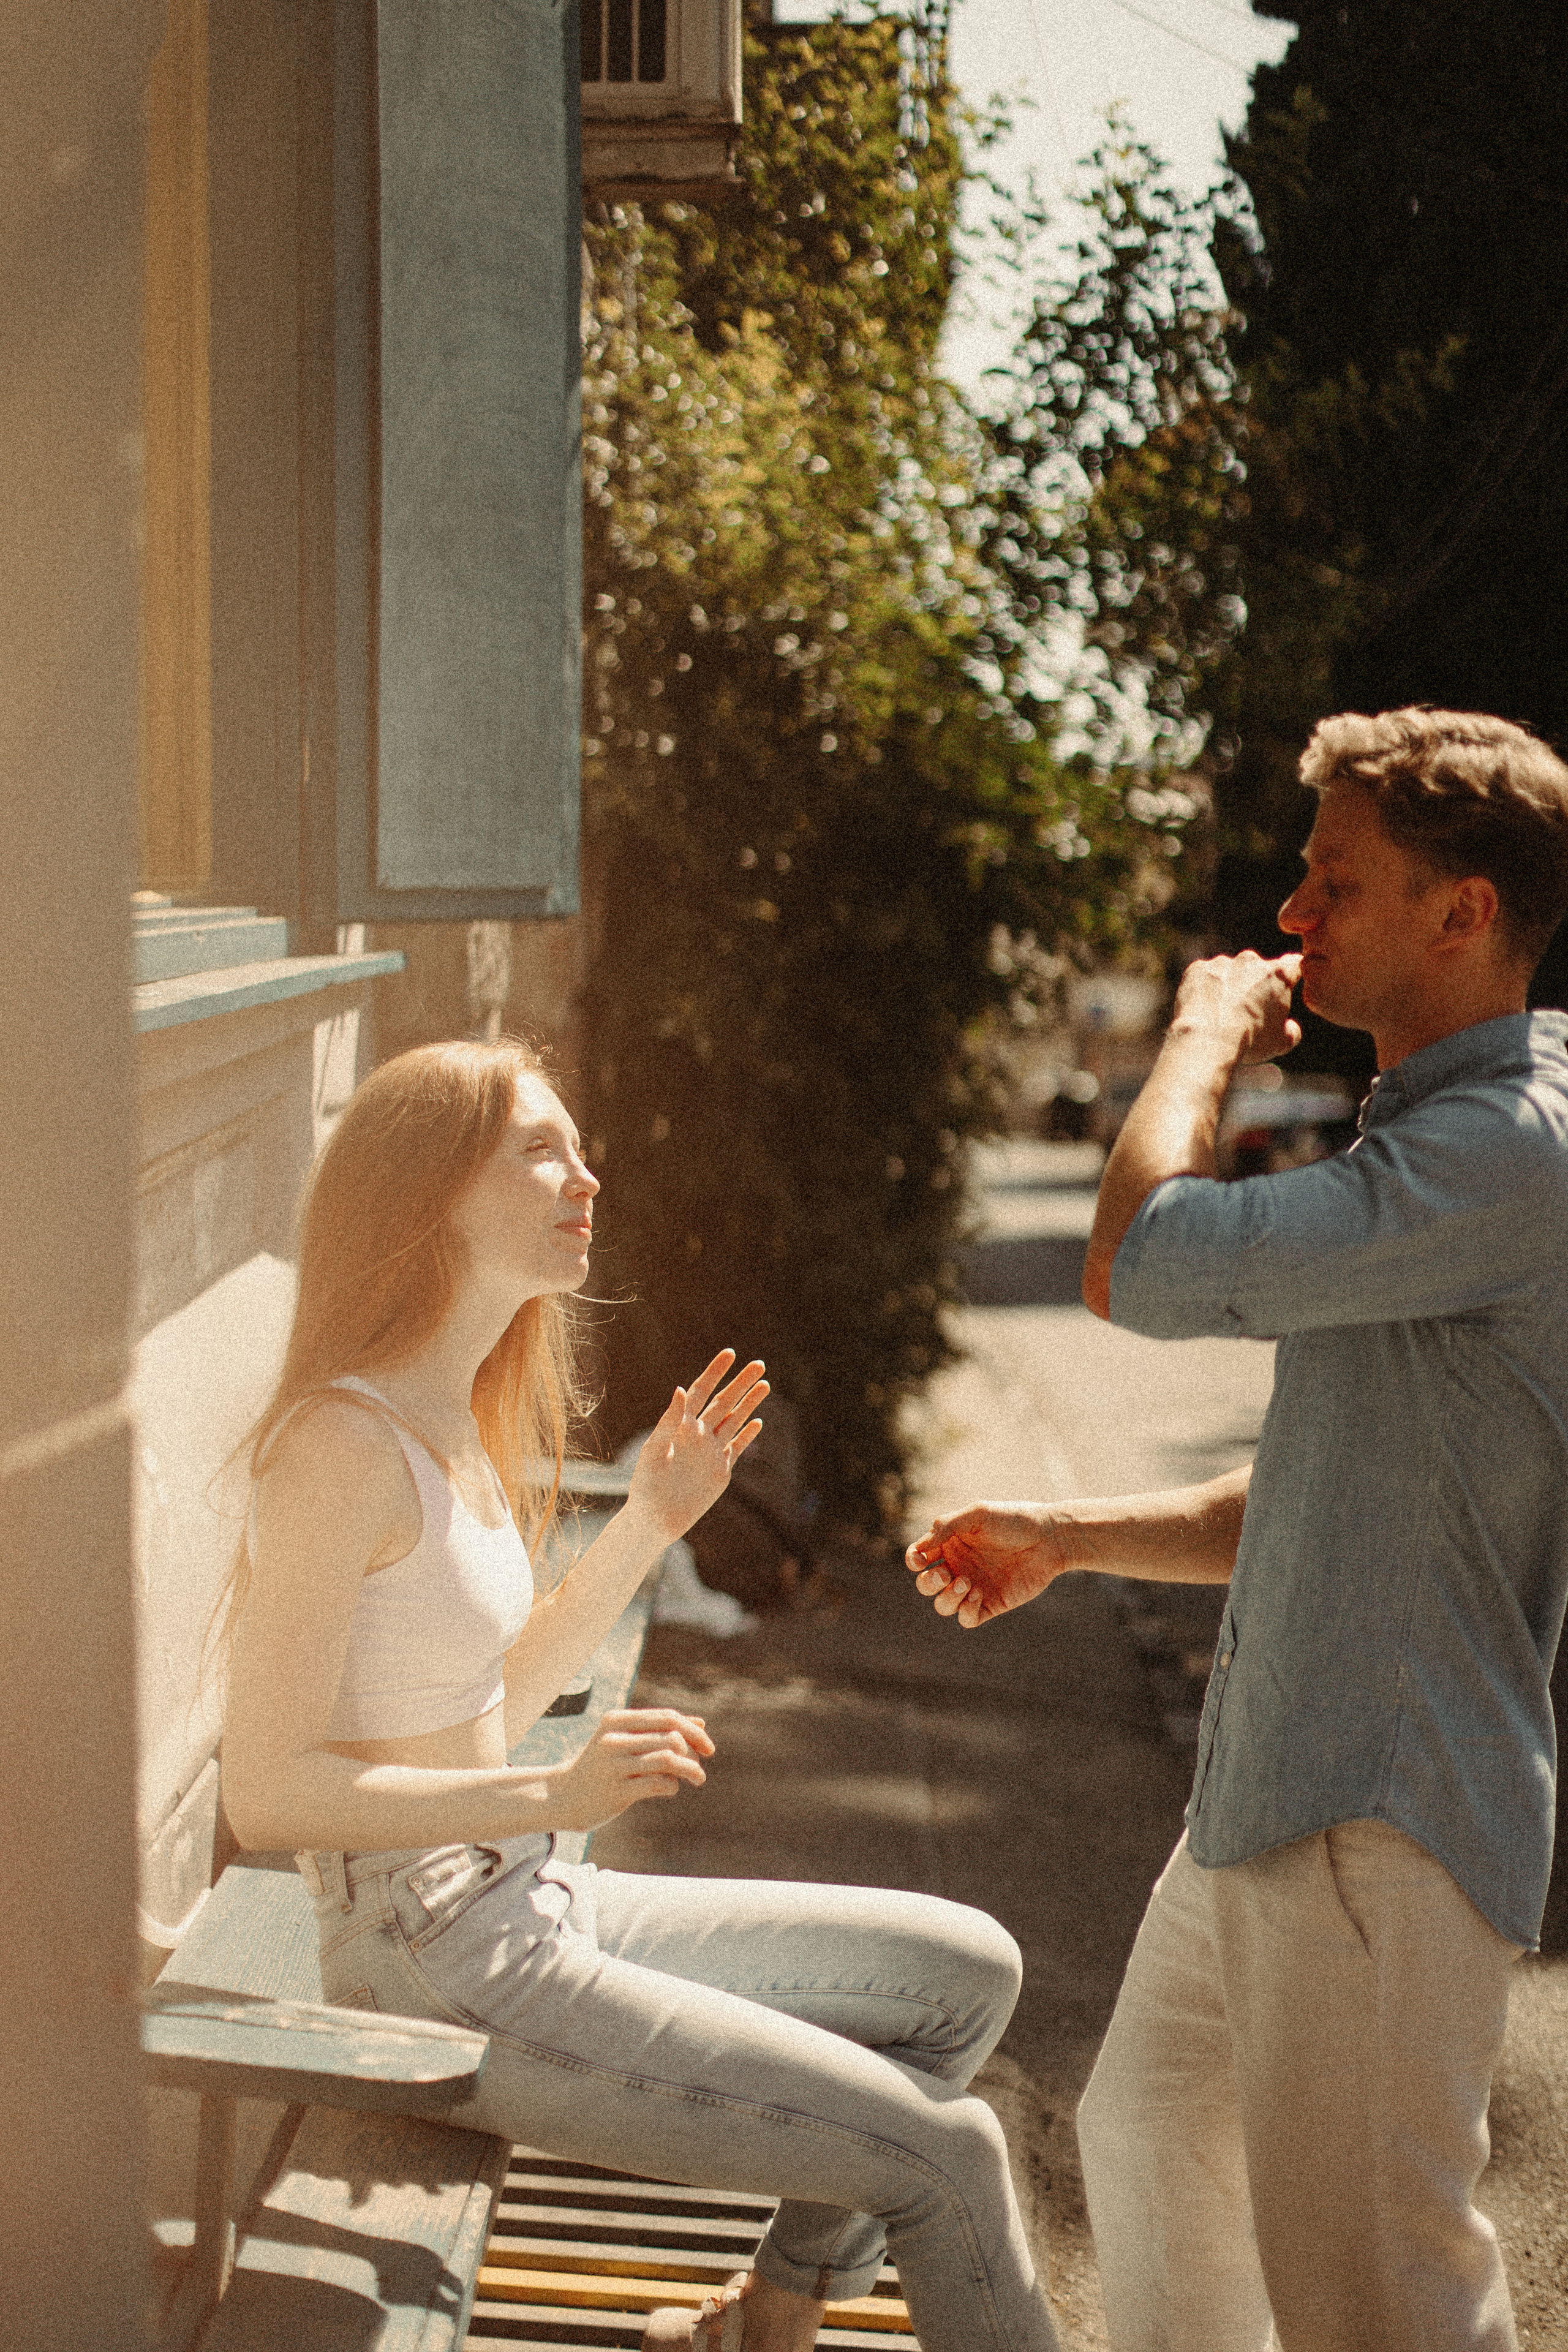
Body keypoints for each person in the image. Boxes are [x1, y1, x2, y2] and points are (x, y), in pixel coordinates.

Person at [219, 1037, 1060, 2352]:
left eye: (578, 1144)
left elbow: (480, 1695)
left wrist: (649, 1524)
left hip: (519, 1893)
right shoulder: (338, 1443)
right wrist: (543, 1791)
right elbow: (267, 1794)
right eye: (536, 1149)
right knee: (947, 2155)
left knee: (966, 1975)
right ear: (423, 1192)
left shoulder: (451, 1416)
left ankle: (770, 2314)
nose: (585, 1176)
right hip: (426, 1957)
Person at [905, 708, 1568, 2352]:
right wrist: (1066, 1530)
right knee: (1151, 2131)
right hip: (1272, 1795)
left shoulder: (1512, 1153)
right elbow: (1325, 1490)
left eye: (1335, 880)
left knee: (1384, 2307)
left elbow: (1142, 1259)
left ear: (1461, 912)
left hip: (1378, 1815)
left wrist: (1196, 1041)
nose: (1290, 917)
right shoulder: (1430, 1140)